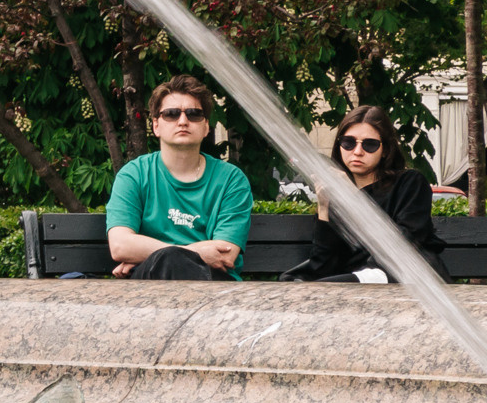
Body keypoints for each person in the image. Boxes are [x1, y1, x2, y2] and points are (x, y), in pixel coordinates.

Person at [105, 75, 255, 280]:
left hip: (213, 288)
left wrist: (145, 253)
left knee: (170, 260)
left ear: (205, 127)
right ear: (156, 125)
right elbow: (120, 245)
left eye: (193, 114)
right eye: (171, 114)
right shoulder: (134, 174)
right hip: (149, 287)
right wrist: (196, 252)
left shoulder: (232, 180)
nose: (183, 121)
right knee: (168, 260)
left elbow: (225, 256)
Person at [285, 106, 446, 283]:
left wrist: (353, 197)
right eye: (348, 142)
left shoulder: (409, 183)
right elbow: (323, 265)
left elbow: (403, 244)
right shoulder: (335, 194)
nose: (357, 151)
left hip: (400, 276)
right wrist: (324, 208)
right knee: (291, 282)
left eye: (370, 144)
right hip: (356, 279)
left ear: (385, 150)